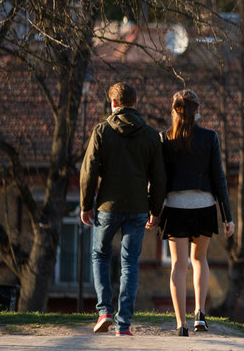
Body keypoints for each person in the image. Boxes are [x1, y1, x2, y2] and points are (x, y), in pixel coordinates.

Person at [80, 82, 165, 337]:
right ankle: (124, 324)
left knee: (100, 255)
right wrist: (155, 209)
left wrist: (85, 205)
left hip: (108, 206)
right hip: (138, 207)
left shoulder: (102, 131)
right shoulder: (151, 135)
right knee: (130, 264)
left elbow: (88, 170)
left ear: (113, 103)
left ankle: (104, 311)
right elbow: (159, 177)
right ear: (135, 103)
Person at [159, 89, 235, 337]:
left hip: (175, 207)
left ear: (174, 110)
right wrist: (227, 217)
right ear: (197, 111)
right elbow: (219, 178)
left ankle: (181, 324)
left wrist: (153, 211)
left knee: (178, 266)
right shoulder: (210, 137)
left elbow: (159, 180)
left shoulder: (165, 139)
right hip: (204, 206)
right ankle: (199, 314)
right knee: (199, 260)